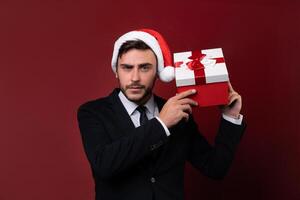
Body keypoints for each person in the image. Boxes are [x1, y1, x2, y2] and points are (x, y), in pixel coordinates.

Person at [77, 29, 246, 200]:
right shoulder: (93, 112)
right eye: (127, 68)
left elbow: (215, 168)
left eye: (144, 68)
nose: (135, 77)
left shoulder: (179, 112)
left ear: (157, 72)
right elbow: (105, 165)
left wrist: (230, 118)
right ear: (116, 71)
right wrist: (161, 123)